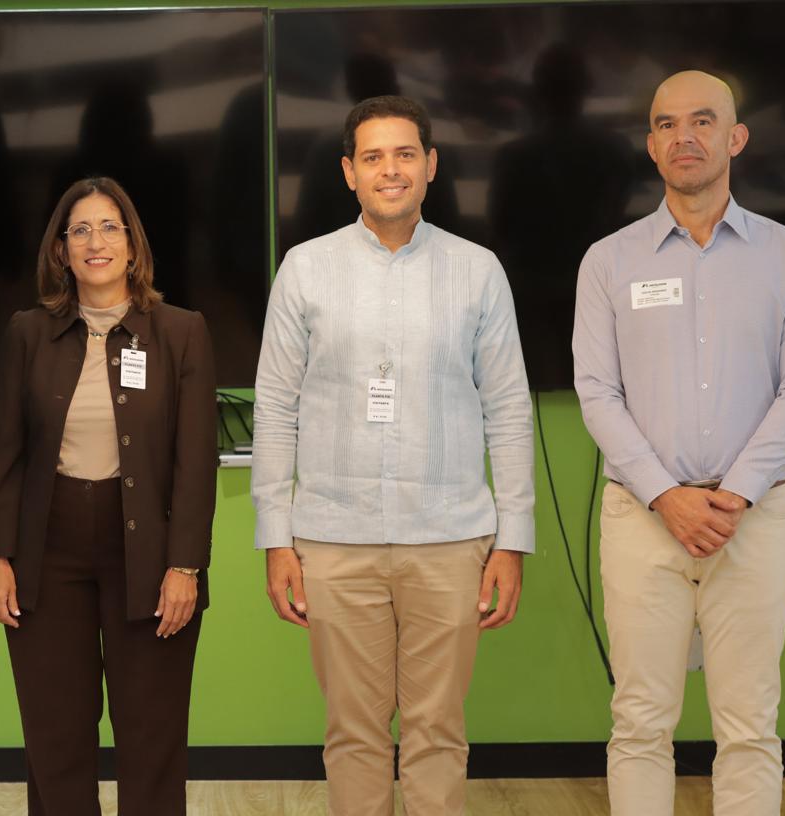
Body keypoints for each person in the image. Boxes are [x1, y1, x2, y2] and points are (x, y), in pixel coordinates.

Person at [253, 95, 535, 816]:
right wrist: (276, 539)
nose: (390, 170)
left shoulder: (477, 271)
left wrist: (512, 541)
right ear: (349, 172)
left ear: (431, 165)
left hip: (449, 539)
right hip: (334, 540)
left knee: (438, 732)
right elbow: (275, 408)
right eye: (373, 156)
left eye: (405, 154)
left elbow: (508, 410)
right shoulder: (305, 269)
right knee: (353, 733)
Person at [572, 70, 785, 815]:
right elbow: (597, 393)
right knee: (639, 722)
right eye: (666, 124)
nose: (684, 136)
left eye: (703, 120)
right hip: (642, 521)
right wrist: (667, 496)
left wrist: (734, 494)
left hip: (755, 520)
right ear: (651, 146)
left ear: (735, 138)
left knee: (749, 727)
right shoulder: (608, 261)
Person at [0, 177, 217, 816]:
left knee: (152, 734)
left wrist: (185, 566)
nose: (95, 242)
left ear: (133, 246)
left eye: (110, 227)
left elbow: (196, 463)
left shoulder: (182, 332)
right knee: (55, 735)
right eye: (79, 230)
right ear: (61, 250)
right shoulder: (27, 333)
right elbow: (3, 454)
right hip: (45, 553)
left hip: (150, 554)